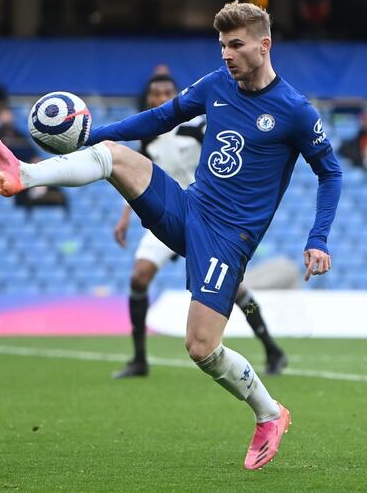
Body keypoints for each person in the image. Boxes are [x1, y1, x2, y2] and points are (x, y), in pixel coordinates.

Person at [0, 1, 342, 470]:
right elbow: (157, 119)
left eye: (236, 45)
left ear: (264, 45)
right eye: (222, 46)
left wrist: (319, 237)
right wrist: (88, 134)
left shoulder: (294, 110)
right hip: (189, 206)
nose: (227, 54)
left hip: (228, 238)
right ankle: (22, 173)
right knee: (113, 154)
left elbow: (330, 173)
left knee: (201, 347)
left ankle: (269, 413)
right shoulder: (215, 85)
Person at [113, 75, 287, 379]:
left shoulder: (197, 128)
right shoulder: (148, 139)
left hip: (205, 217)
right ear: (149, 99)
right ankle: (139, 358)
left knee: (237, 292)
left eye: (168, 92)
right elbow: (138, 176)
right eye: (156, 93)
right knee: (139, 277)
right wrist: (125, 216)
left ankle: (272, 348)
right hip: (166, 216)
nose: (162, 97)